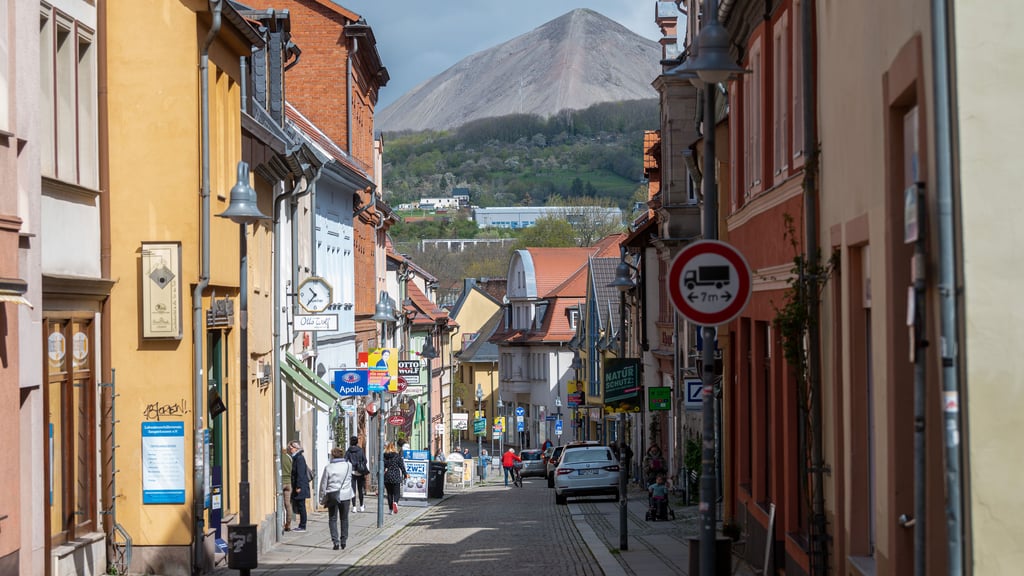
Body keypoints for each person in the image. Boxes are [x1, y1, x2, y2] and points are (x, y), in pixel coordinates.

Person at [318, 446, 355, 550]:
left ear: (332, 456)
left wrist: (321, 499)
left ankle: (335, 542)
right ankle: (344, 540)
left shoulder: (329, 467)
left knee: (332, 518)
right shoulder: (348, 466)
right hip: (346, 495)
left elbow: (323, 484)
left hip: (333, 495)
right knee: (344, 518)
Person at [289, 440, 311, 532]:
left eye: (291, 448)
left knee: (301, 506)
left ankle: (302, 525)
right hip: (299, 485)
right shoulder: (296, 457)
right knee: (300, 505)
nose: (290, 450)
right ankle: (301, 525)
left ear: (296, 448)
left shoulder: (299, 458)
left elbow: (300, 473)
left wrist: (298, 486)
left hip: (301, 486)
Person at [344, 436, 368, 513]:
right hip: (360, 472)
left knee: (353, 490)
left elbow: (345, 460)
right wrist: (360, 465)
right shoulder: (360, 450)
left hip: (352, 472)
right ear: (357, 442)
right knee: (360, 490)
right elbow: (365, 460)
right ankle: (361, 506)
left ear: (350, 442)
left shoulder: (349, 451)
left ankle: (354, 507)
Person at [382, 441, 408, 514]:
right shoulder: (397, 456)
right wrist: (405, 474)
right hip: (396, 476)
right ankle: (395, 502)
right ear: (394, 448)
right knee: (397, 493)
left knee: (389, 494)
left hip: (387, 476)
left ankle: (390, 510)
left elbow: (382, 466)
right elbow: (401, 466)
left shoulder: (384, 456)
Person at [281, 446, 294, 531]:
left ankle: (281, 523)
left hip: (281, 482)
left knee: (280, 503)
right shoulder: (289, 458)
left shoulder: (279, 458)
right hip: (289, 483)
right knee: (288, 504)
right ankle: (288, 524)